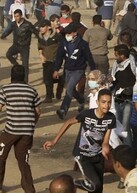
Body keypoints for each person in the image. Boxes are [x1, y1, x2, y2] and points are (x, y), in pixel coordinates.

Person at [43, 88, 116, 193]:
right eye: (103, 102)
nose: (106, 105)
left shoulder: (111, 118)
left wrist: (105, 146)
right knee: (94, 184)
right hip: (83, 155)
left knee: (98, 188)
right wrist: (54, 141)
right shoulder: (87, 114)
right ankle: (70, 185)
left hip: (98, 156)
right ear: (97, 102)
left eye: (109, 102)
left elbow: (106, 137)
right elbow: (68, 122)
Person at [0, 65, 42, 193]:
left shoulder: (5, 89)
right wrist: (31, 125)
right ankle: (29, 190)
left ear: (12, 76)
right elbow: (38, 111)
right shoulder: (32, 90)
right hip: (27, 131)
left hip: (11, 130)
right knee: (23, 161)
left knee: (1, 157)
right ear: (24, 76)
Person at [54, 24, 96, 120]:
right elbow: (59, 57)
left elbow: (88, 57)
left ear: (75, 33)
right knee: (71, 89)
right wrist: (56, 69)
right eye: (65, 34)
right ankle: (81, 100)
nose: (67, 35)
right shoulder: (63, 43)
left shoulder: (82, 44)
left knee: (69, 88)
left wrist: (93, 69)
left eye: (68, 33)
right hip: (68, 69)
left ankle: (63, 110)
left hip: (78, 70)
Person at [1, 9, 38, 83]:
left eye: (17, 16)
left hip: (25, 47)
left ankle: (25, 82)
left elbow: (36, 32)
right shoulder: (13, 24)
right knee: (8, 54)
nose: (16, 18)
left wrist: (42, 38)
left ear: (21, 16)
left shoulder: (28, 24)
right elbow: (8, 31)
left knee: (25, 65)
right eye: (15, 16)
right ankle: (17, 65)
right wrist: (2, 36)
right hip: (16, 45)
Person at [39, 19, 64, 102]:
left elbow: (62, 47)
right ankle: (61, 79)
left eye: (43, 27)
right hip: (45, 60)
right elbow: (40, 47)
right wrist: (41, 55)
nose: (41, 28)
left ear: (48, 27)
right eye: (40, 27)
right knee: (46, 79)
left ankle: (48, 97)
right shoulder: (40, 36)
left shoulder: (57, 36)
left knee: (48, 79)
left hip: (54, 60)